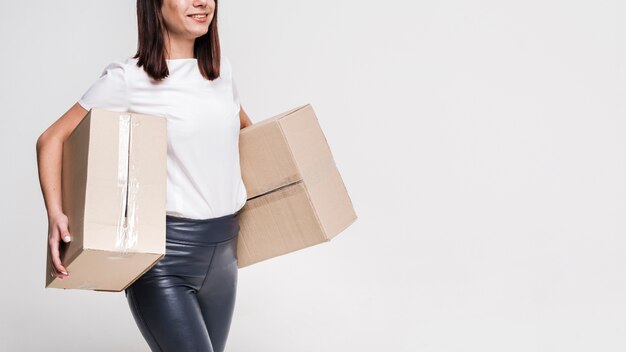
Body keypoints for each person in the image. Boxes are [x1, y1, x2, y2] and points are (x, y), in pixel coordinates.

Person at [35, 0, 252, 351]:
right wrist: (56, 214)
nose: (202, 3)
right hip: (166, 259)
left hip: (225, 253)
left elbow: (246, 136)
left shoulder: (221, 73)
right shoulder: (130, 79)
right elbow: (51, 139)